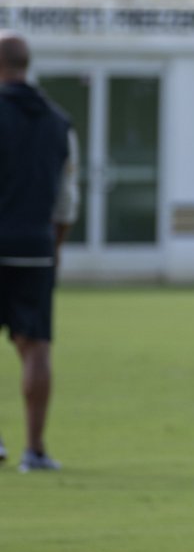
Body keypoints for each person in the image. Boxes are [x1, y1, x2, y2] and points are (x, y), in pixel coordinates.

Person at [0, 32, 79, 471]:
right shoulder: (59, 123)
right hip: (35, 246)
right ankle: (35, 450)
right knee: (36, 348)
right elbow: (67, 200)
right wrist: (56, 247)